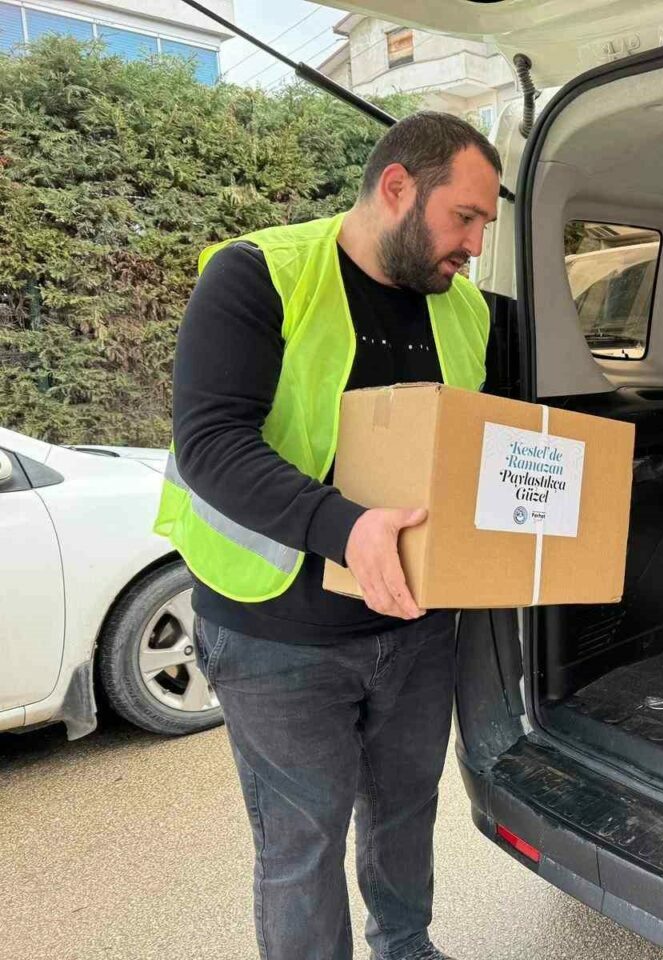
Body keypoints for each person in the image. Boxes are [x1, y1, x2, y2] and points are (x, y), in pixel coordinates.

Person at [153, 111, 502, 960]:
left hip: (416, 624)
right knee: (302, 845)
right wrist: (346, 529)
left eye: (485, 224)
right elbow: (211, 444)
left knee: (407, 811)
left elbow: (475, 447)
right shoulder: (259, 275)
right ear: (397, 187)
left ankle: (405, 947)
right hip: (275, 632)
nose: (476, 246)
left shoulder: (465, 310)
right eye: (465, 217)